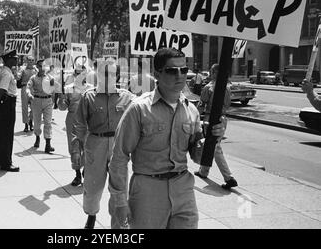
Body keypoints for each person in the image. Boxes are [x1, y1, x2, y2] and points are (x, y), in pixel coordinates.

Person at [108, 48, 227, 229]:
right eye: (172, 71)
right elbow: (119, 156)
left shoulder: (191, 110)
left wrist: (212, 139)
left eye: (184, 70)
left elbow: (197, 156)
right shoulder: (138, 109)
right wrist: (119, 201)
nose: (180, 75)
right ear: (157, 74)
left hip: (183, 190)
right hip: (148, 191)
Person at [71, 62, 137, 229]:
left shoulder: (127, 97)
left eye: (112, 74)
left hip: (118, 145)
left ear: (118, 77)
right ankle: (91, 215)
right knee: (93, 186)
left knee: (119, 186)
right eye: (104, 74)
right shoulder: (88, 97)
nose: (108, 78)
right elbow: (79, 125)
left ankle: (118, 223)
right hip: (95, 144)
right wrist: (76, 149)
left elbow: (141, 116)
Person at [195, 64, 238, 190]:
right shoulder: (227, 88)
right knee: (210, 145)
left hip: (211, 119)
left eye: (211, 72)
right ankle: (203, 171)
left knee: (215, 147)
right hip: (223, 118)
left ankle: (229, 178)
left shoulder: (208, 88)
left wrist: (195, 116)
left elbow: (202, 105)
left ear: (213, 73)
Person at [58, 65, 92, 187]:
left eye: (83, 73)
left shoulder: (91, 89)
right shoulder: (68, 89)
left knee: (88, 147)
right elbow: (62, 108)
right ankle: (77, 174)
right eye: (78, 74)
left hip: (88, 121)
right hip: (72, 120)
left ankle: (86, 170)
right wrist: (61, 98)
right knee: (74, 148)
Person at [0, 50, 19, 172]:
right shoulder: (6, 73)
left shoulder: (4, 71)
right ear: (9, 59)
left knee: (1, 132)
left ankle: (0, 159)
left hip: (3, 104)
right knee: (7, 134)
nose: (16, 60)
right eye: (15, 58)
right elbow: (2, 90)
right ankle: (6, 162)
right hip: (7, 104)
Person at [27, 60, 56, 153]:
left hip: (48, 101)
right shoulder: (33, 78)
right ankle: (37, 138)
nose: (42, 68)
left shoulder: (50, 77)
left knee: (48, 122)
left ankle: (48, 144)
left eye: (43, 66)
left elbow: (54, 89)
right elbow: (28, 87)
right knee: (37, 122)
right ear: (37, 67)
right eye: (40, 66)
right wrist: (29, 95)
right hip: (37, 101)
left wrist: (54, 101)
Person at [19, 57, 36, 132]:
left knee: (33, 107)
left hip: (33, 89)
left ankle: (31, 122)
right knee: (24, 107)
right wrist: (15, 72)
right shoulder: (22, 69)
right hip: (24, 87)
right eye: (29, 60)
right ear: (27, 61)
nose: (31, 62)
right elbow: (18, 77)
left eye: (32, 60)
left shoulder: (36, 70)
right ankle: (26, 124)